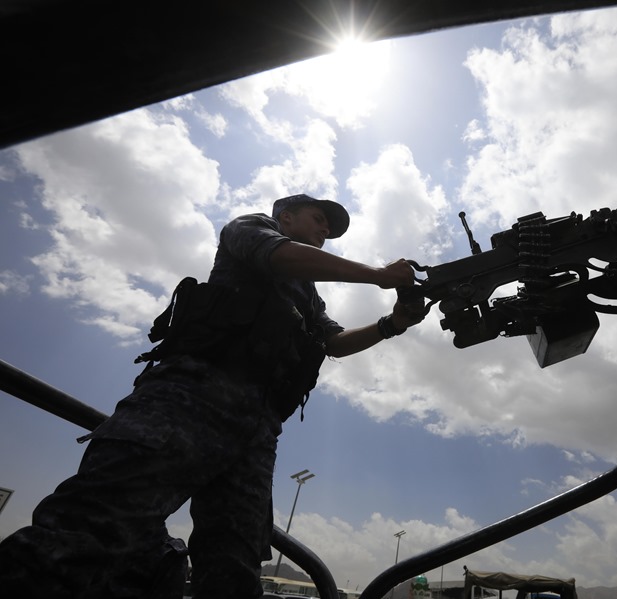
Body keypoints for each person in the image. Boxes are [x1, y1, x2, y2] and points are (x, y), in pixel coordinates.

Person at [0, 193, 426, 599]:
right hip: (190, 398)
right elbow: (280, 256)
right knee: (91, 531)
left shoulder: (309, 295)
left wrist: (393, 322)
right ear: (286, 216)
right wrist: (378, 275)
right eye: (319, 219)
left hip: (256, 431)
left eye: (329, 229)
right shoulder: (251, 229)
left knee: (234, 568)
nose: (325, 230)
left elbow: (333, 342)